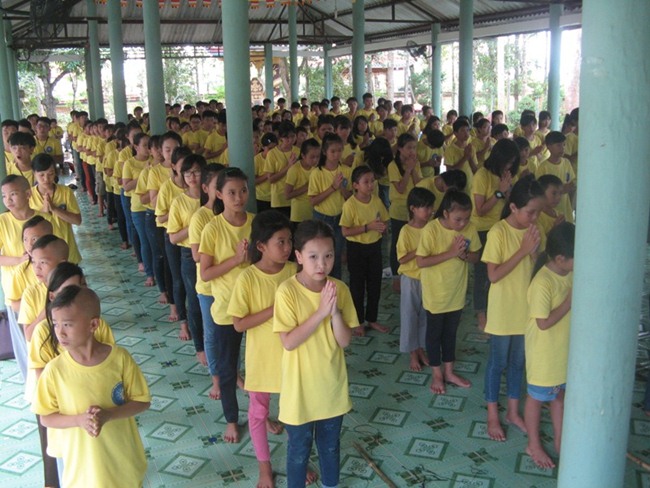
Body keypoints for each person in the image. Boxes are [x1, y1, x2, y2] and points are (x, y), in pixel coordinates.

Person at [32, 286, 150, 488]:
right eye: (56, 324)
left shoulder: (119, 359)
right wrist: (79, 420)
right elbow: (46, 417)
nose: (60, 332)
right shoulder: (54, 370)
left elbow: (142, 401)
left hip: (123, 461)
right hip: (82, 469)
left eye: (67, 324)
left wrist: (109, 414)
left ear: (93, 324)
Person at [273, 220, 359, 488]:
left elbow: (344, 341)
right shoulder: (287, 291)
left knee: (330, 446)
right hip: (299, 390)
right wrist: (321, 312)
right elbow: (289, 342)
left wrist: (334, 313)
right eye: (313, 257)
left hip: (331, 386)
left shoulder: (339, 289)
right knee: (299, 450)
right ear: (298, 256)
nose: (322, 264)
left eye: (328, 256)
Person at [227, 211, 303, 488]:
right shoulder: (248, 278)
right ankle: (264, 469)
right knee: (258, 414)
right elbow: (238, 323)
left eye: (290, 240)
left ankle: (297, 462)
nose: (287, 247)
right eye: (280, 242)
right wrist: (274, 309)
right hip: (262, 357)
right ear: (260, 246)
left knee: (296, 413)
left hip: (293, 354)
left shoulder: (295, 271)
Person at [28, 262, 115, 488]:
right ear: (53, 297)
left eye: (82, 286)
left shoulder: (99, 326)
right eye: (70, 290)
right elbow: (42, 381)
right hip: (64, 411)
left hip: (95, 406)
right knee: (69, 466)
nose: (80, 294)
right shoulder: (43, 333)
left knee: (100, 462)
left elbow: (109, 365)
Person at [482, 175, 545, 441]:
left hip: (525, 308)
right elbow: (494, 275)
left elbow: (537, 269)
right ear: (513, 207)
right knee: (498, 362)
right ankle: (492, 415)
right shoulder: (498, 232)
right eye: (530, 212)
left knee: (519, 362)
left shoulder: (533, 230)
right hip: (503, 309)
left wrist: (534, 252)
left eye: (538, 212)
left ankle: (513, 411)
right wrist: (523, 251)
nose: (534, 217)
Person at [199, 167, 254, 443]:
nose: (239, 197)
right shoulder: (213, 228)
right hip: (226, 311)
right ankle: (232, 420)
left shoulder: (256, 223)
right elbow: (206, 273)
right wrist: (235, 260)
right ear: (219, 194)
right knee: (228, 369)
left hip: (256, 308)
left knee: (259, 367)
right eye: (231, 192)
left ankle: (259, 415)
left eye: (243, 190)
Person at [417, 190, 481, 394]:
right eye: (458, 219)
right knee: (434, 334)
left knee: (451, 334)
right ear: (445, 213)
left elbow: (476, 257)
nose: (463, 223)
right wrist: (451, 253)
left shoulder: (470, 228)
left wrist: (464, 256)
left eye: (466, 218)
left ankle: (449, 372)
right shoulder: (431, 230)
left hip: (456, 292)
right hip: (435, 294)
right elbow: (421, 261)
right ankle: (437, 373)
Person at [524, 222, 575, 469]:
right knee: (536, 398)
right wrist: (569, 302)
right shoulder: (543, 282)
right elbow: (543, 323)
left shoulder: (570, 273)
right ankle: (533, 443)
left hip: (563, 351)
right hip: (544, 354)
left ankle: (560, 441)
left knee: (559, 397)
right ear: (560, 258)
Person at [470, 139, 520, 331]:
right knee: (483, 274)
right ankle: (481, 314)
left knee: (500, 272)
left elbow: (508, 202)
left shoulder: (506, 175)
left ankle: (495, 309)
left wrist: (507, 191)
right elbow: (480, 210)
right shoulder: (482, 175)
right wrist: (499, 192)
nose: (509, 166)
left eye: (512, 163)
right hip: (483, 230)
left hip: (502, 228)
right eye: (507, 162)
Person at [188, 162, 224, 400]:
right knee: (212, 334)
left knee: (231, 334)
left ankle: (232, 372)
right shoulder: (201, 217)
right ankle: (217, 379)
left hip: (231, 285)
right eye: (217, 185)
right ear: (206, 189)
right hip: (209, 286)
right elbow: (196, 255)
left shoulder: (232, 215)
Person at [340, 165, 389, 335]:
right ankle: (358, 321)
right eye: (366, 182)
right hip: (356, 249)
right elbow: (345, 231)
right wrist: (368, 227)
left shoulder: (376, 200)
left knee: (375, 284)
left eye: (372, 181)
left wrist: (383, 227)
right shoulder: (350, 205)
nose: (370, 185)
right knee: (357, 286)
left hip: (374, 247)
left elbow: (385, 219)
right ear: (355, 185)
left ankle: (372, 319)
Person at [168, 154, 207, 366]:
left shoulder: (212, 199)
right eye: (188, 173)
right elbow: (173, 238)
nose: (192, 177)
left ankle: (213, 341)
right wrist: (195, 225)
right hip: (188, 254)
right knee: (194, 300)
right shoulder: (179, 201)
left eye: (197, 172)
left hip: (213, 253)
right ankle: (200, 347)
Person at [397, 187, 435, 371]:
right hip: (410, 279)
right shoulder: (406, 231)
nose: (430, 211)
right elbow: (402, 259)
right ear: (413, 208)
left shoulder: (432, 227)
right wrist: (419, 250)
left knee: (425, 316)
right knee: (409, 316)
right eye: (425, 207)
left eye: (431, 207)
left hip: (428, 277)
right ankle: (413, 353)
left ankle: (421, 349)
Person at [157, 146, 193, 338]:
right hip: (173, 236)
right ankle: (182, 320)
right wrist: (177, 211)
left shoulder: (198, 189)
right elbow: (160, 217)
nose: (189, 173)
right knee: (177, 278)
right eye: (184, 167)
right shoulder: (168, 187)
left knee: (194, 284)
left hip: (194, 242)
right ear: (174, 166)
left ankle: (195, 321)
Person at [308, 133, 352, 279]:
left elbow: (350, 198)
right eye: (333, 151)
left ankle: (336, 286)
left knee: (336, 256)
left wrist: (342, 188)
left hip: (341, 218)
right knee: (322, 256)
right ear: (325, 152)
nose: (337, 154)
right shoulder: (317, 173)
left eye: (339, 150)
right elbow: (313, 201)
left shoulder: (346, 170)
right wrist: (333, 188)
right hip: (322, 218)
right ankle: (321, 285)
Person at [29, 153, 82, 264]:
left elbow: (77, 221)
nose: (46, 179)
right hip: (43, 256)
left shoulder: (65, 192)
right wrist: (44, 211)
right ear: (34, 174)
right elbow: (28, 227)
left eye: (50, 174)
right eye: (41, 175)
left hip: (67, 251)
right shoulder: (29, 196)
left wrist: (54, 209)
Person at [388, 133, 422, 291]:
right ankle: (396, 277)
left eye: (414, 148)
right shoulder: (393, 165)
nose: (412, 151)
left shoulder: (416, 163)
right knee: (397, 244)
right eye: (409, 148)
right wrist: (408, 169)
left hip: (414, 209)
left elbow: (419, 184)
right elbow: (401, 189)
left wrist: (413, 168)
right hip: (399, 210)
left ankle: (411, 273)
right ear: (400, 149)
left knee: (412, 243)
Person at [536, 131, 576, 223]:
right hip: (550, 211)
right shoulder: (543, 167)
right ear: (549, 147)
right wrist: (559, 190)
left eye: (564, 145)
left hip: (565, 208)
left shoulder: (566, 163)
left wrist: (570, 186)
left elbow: (572, 181)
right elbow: (539, 191)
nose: (562, 148)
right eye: (558, 145)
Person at [265, 121, 300, 218]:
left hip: (296, 197)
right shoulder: (272, 154)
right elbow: (271, 179)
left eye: (292, 136)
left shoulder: (298, 151)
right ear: (280, 138)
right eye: (286, 137)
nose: (290, 140)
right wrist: (288, 166)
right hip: (279, 199)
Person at [285, 138, 320, 225]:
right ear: (303, 156)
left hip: (314, 213)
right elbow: (287, 195)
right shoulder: (294, 170)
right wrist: (306, 187)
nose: (315, 160)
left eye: (317, 157)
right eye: (312, 157)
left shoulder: (317, 169)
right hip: (299, 215)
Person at [444, 118, 478, 192]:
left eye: (467, 130)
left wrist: (469, 157)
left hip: (470, 186)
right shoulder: (450, 149)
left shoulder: (471, 148)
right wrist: (465, 158)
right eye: (462, 130)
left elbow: (475, 170)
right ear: (455, 133)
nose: (466, 133)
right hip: (456, 187)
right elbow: (450, 172)